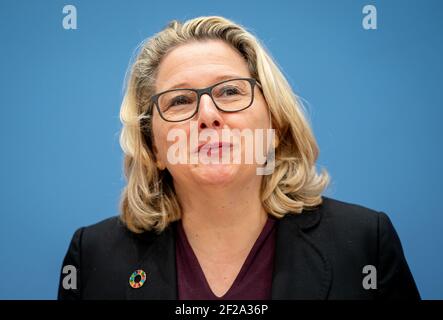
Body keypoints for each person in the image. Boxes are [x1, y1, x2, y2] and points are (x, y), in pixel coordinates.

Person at [58, 16, 420, 300]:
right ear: (154, 148)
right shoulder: (93, 257)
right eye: (180, 100)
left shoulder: (363, 242)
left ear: (275, 126)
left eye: (230, 91)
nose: (208, 114)